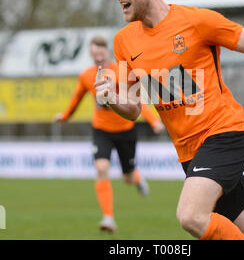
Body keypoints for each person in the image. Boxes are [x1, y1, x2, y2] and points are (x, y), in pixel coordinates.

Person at [94, 0, 244, 240]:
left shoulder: (196, 21)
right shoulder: (124, 41)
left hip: (224, 135)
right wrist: (111, 97)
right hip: (190, 154)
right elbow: (133, 108)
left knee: (191, 216)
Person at [55, 35, 164, 233]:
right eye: (94, 53)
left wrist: (154, 121)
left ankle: (137, 178)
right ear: (91, 54)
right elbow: (76, 99)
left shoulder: (121, 73)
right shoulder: (86, 76)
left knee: (127, 178)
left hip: (126, 131)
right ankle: (108, 218)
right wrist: (64, 116)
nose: (98, 56)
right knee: (101, 167)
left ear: (107, 53)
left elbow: (136, 103)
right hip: (101, 130)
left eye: (101, 52)